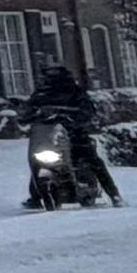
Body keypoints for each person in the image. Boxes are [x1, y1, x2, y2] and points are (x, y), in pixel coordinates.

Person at [24, 59, 123, 206]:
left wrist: (75, 118)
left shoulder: (74, 91)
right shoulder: (40, 94)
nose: (52, 75)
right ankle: (36, 195)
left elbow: (87, 110)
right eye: (49, 72)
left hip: (73, 134)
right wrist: (28, 116)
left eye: (55, 72)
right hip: (47, 136)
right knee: (37, 160)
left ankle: (114, 194)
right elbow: (28, 111)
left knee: (92, 160)